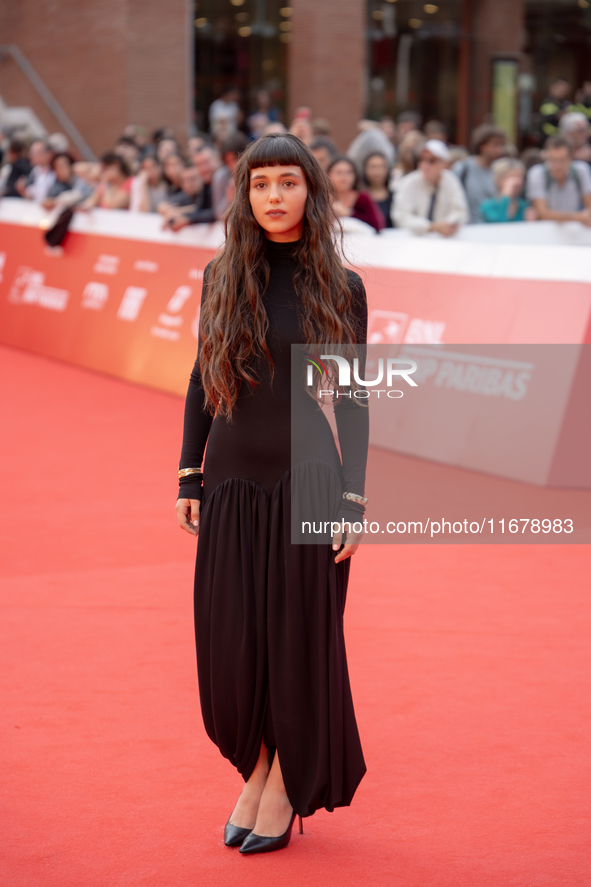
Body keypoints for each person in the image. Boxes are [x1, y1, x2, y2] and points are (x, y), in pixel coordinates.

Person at [175, 132, 368, 853]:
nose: (275, 196)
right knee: (234, 640)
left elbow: (351, 402)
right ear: (245, 194)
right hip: (227, 481)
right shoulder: (219, 274)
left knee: (298, 639)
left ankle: (283, 776)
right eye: (261, 185)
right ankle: (255, 763)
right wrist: (188, 473)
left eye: (288, 182)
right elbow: (202, 379)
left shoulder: (339, 286)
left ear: (310, 192)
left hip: (308, 482)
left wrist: (355, 498)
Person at [393, 139, 468, 235]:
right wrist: (431, 227)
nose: (425, 165)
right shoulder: (408, 183)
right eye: (422, 159)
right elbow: (401, 217)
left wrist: (449, 224)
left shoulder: (451, 180)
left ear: (443, 163)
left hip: (444, 242)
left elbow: (460, 212)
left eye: (431, 161)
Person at [525, 135, 591, 225]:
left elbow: (589, 207)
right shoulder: (537, 173)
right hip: (545, 233)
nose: (557, 166)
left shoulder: (581, 170)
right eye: (553, 160)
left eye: (562, 160)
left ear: (571, 158)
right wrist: (579, 217)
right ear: (546, 157)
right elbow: (542, 213)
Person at [452, 124, 506, 223]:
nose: (499, 149)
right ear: (482, 146)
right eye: (495, 145)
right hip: (467, 229)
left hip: (495, 229)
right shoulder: (463, 168)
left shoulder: (503, 171)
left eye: (501, 145)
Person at [166, 146, 221, 229]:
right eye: (199, 165)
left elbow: (217, 213)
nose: (203, 168)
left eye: (206, 162)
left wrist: (187, 219)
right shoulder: (206, 184)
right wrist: (182, 217)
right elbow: (201, 210)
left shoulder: (223, 178)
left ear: (217, 159)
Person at [328, 155, 386, 231]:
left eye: (349, 172)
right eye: (339, 172)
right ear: (328, 175)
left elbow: (378, 224)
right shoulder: (323, 198)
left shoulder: (362, 197)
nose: (344, 176)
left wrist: (351, 214)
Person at [480, 158, 534, 223]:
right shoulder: (487, 207)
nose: (518, 182)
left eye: (520, 177)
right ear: (499, 180)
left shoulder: (525, 207)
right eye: (513, 177)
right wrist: (506, 196)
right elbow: (499, 224)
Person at [211, 132, 248, 219]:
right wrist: (229, 198)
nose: (234, 165)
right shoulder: (220, 177)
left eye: (236, 158)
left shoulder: (255, 174)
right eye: (229, 161)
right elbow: (219, 214)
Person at [363, 152, 394, 227]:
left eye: (381, 166)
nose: (377, 171)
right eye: (373, 167)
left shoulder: (396, 196)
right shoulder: (359, 197)